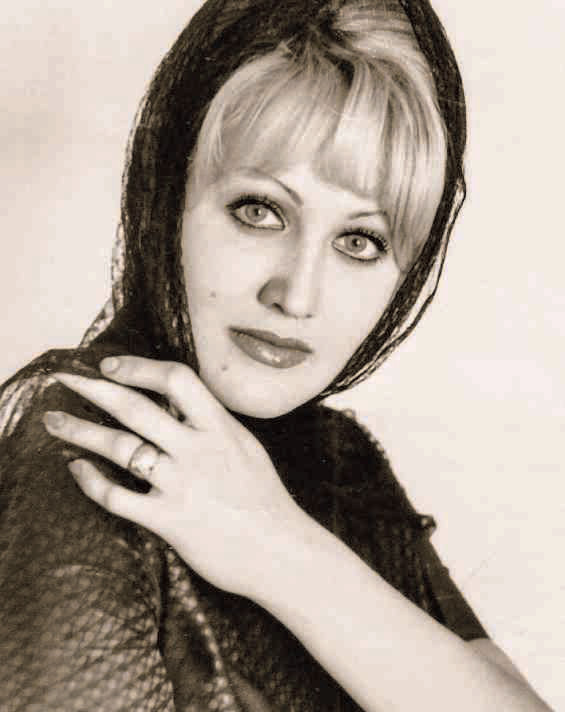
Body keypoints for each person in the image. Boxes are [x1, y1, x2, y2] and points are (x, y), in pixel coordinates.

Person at [0, 0, 552, 710]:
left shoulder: (340, 462)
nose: (297, 295)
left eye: (359, 241)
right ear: (167, 198)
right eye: (259, 211)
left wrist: (276, 548)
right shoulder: (101, 443)